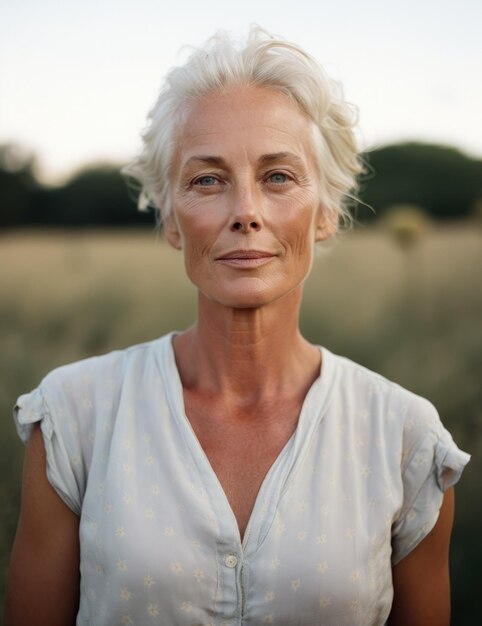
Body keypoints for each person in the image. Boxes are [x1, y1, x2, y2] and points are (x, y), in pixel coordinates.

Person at [5, 27, 469, 626]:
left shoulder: (405, 438)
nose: (245, 212)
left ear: (325, 213)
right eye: (207, 180)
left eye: (278, 177)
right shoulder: (74, 417)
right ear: (171, 219)